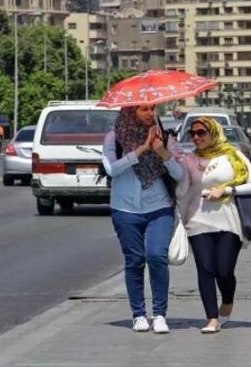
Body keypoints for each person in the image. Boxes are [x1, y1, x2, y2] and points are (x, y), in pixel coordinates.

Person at [103, 105, 184, 334]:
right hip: (125, 210)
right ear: (131, 112)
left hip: (159, 208)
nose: (150, 113)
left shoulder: (165, 137)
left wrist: (161, 152)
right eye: (143, 109)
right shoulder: (114, 138)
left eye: (152, 109)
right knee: (134, 260)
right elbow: (111, 169)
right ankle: (138, 314)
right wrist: (141, 150)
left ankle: (159, 314)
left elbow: (180, 174)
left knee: (157, 257)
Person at [176, 117, 251, 333]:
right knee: (205, 269)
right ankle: (212, 318)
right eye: (192, 134)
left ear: (213, 132)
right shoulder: (190, 160)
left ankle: (228, 300)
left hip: (228, 220)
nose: (196, 137)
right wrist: (171, 163)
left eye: (201, 132)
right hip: (197, 221)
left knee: (224, 271)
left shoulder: (233, 155)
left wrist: (226, 190)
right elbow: (182, 192)